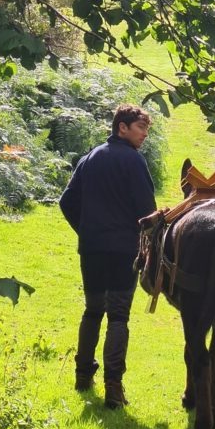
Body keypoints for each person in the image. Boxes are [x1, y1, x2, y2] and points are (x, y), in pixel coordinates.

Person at [56, 104, 157, 409]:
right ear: (122, 127)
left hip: (92, 247)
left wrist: (86, 230)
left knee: (92, 310)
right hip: (124, 250)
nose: (144, 135)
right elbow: (147, 212)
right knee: (118, 315)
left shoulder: (90, 158)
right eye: (140, 128)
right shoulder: (134, 162)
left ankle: (82, 376)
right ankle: (114, 386)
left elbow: (66, 201)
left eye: (147, 130)